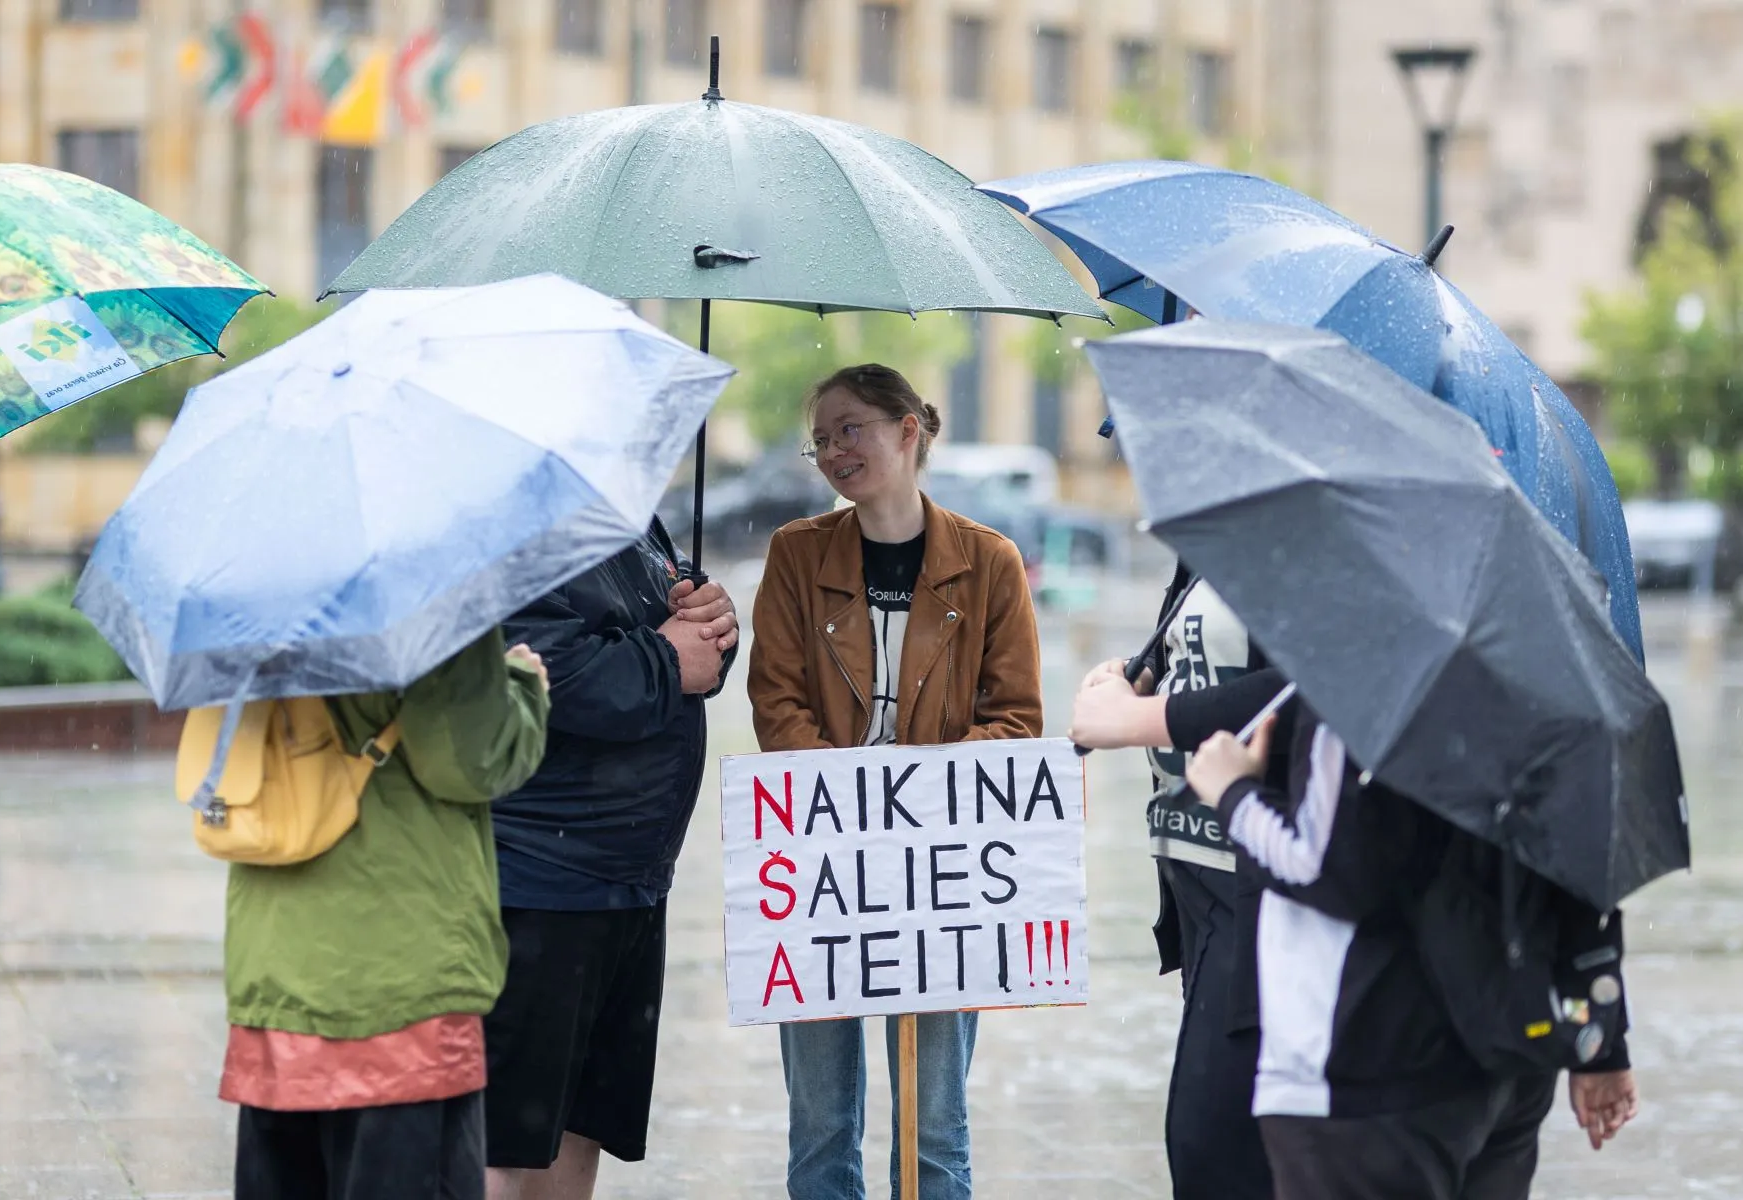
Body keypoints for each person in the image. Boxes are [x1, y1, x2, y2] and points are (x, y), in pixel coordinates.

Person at [749, 364, 1043, 1200]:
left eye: (850, 429)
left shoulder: (988, 562)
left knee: (935, 1130)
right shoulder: (797, 554)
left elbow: (1015, 719)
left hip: (942, 871)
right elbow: (776, 701)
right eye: (820, 439)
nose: (833, 452)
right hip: (821, 861)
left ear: (908, 429)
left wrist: (909, 798)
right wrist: (851, 798)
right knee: (819, 1127)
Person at [1183, 706, 1638, 1199]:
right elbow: (1582, 862)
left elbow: (1324, 867)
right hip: (1505, 1056)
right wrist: (1603, 1043)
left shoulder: (1358, 688)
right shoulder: (1549, 685)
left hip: (1368, 1063)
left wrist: (1234, 795)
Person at [224, 629, 551, 1200]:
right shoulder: (432, 602)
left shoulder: (250, 604)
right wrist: (524, 687)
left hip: (277, 961)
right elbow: (467, 760)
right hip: (399, 966)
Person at [484, 518, 739, 1200]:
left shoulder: (621, 509)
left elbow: (666, 632)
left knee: (581, 1121)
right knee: (503, 1135)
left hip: (629, 879)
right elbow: (537, 669)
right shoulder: (516, 522)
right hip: (541, 877)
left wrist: (711, 621)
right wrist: (668, 660)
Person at [1067, 563, 1284, 1199]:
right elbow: (1204, 660)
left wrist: (1140, 719)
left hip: (1261, 890)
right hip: (1197, 887)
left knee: (1211, 1151)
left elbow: (1302, 685)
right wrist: (1136, 679)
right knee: (1211, 1146)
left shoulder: (1305, 540)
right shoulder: (1212, 541)